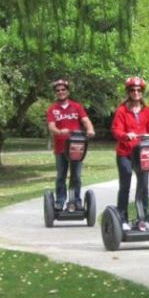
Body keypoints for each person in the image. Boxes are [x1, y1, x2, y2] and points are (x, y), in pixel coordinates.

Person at [111, 76, 149, 231]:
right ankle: (122, 219)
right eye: (132, 90)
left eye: (138, 90)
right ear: (128, 92)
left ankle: (143, 219)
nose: (136, 93)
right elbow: (116, 130)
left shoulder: (147, 111)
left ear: (142, 92)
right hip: (125, 153)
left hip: (142, 154)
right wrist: (125, 135)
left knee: (143, 186)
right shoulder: (122, 111)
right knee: (125, 186)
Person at [46, 78, 95, 209]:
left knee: (76, 176)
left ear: (68, 91)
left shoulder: (77, 107)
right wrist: (59, 131)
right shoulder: (52, 109)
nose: (61, 92)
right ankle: (60, 201)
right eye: (58, 90)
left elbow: (85, 120)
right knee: (61, 175)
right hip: (60, 148)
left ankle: (75, 200)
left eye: (63, 90)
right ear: (55, 93)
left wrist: (90, 129)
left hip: (76, 147)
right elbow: (51, 126)